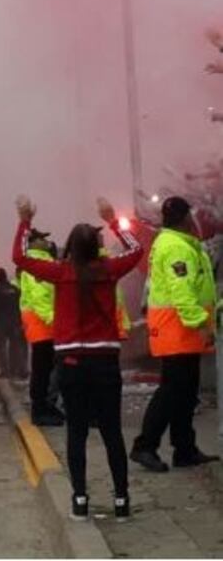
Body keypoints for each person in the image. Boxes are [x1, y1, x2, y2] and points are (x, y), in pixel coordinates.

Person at [12, 195, 143, 522]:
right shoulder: (109, 270)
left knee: (77, 433)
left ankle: (80, 500)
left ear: (69, 246)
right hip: (106, 363)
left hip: (70, 364)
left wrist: (24, 221)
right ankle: (122, 501)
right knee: (112, 433)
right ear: (96, 246)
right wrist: (113, 220)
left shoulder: (60, 272)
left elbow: (19, 257)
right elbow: (137, 251)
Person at [130, 197, 220, 472]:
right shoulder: (176, 248)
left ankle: (185, 448)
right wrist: (203, 323)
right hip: (177, 332)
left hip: (185, 334)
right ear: (183, 219)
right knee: (171, 392)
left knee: (186, 394)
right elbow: (182, 294)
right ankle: (145, 446)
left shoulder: (182, 245)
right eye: (190, 216)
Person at [20, 228, 62, 425]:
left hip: (46, 324)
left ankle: (46, 407)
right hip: (42, 325)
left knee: (47, 368)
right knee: (42, 370)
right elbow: (39, 297)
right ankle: (40, 411)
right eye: (42, 239)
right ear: (33, 242)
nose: (47, 241)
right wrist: (54, 319)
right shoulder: (34, 263)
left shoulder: (44, 261)